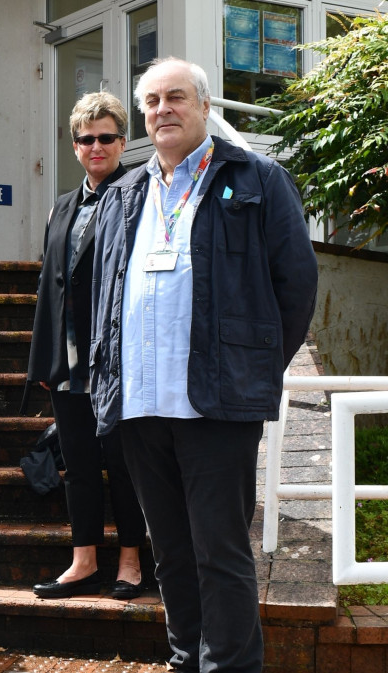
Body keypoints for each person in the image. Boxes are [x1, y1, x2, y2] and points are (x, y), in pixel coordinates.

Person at [89, 57, 318, 672]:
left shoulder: (258, 180)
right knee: (169, 553)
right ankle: (186, 658)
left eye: (177, 97)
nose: (164, 109)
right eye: (154, 101)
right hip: (140, 403)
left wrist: (252, 367)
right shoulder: (126, 191)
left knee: (220, 552)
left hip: (214, 403)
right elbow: (105, 293)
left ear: (205, 107)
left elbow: (295, 287)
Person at [27, 91, 147, 601]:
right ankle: (83, 561)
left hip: (117, 360)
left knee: (123, 465)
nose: (95, 146)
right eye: (85, 139)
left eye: (106, 137)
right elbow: (51, 287)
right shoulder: (62, 205)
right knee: (77, 464)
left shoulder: (139, 195)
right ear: (73, 145)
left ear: (123, 141)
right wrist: (44, 361)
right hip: (68, 363)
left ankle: (130, 563)